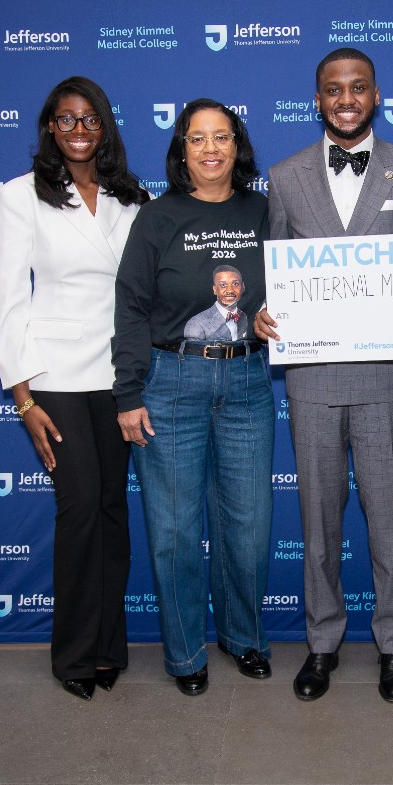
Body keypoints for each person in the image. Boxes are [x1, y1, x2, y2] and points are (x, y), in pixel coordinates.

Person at [254, 48, 393, 703]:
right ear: (317, 99)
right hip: (312, 377)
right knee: (317, 517)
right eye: (333, 89)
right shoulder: (284, 177)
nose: (346, 99)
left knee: (385, 515)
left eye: (358, 87)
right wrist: (264, 311)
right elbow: (276, 273)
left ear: (376, 94)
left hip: (384, 377)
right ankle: (322, 641)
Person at [112, 99, 274, 697]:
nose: (211, 149)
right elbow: (129, 308)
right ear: (183, 149)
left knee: (250, 527)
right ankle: (184, 653)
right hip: (170, 383)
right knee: (176, 531)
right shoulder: (157, 218)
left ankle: (243, 635)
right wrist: (128, 392)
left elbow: (291, 286)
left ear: (238, 146)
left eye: (222, 137)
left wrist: (268, 319)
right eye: (198, 138)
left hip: (248, 383)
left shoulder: (265, 212)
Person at [0, 76, 148, 702]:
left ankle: (110, 645)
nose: (79, 131)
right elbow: (10, 302)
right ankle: (75, 654)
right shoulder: (20, 195)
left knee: (112, 510)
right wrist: (23, 398)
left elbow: (140, 294)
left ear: (104, 127)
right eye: (66, 120)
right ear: (49, 127)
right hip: (55, 377)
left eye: (90, 121)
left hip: (117, 374)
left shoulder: (129, 199)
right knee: (80, 507)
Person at [183, 265, 248, 340]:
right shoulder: (196, 323)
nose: (230, 290)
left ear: (243, 287)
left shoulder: (243, 317)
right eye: (223, 285)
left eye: (235, 284)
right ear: (215, 289)